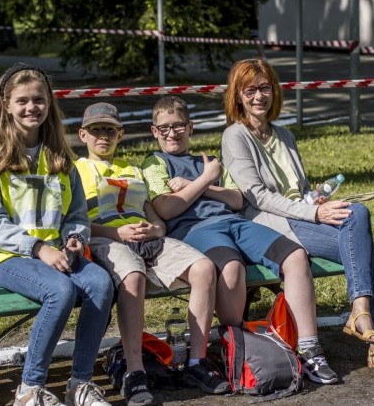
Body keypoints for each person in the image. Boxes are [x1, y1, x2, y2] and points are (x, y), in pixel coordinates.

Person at [220, 58, 374, 379]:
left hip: (301, 216)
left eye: (264, 88)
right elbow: (257, 197)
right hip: (269, 224)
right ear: (238, 96)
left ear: (274, 91)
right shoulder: (235, 136)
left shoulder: (285, 135)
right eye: (249, 90)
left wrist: (315, 198)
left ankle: (360, 313)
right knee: (361, 249)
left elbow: (300, 189)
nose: (258, 96)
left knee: (358, 218)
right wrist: (315, 212)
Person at [141, 95, 338, 386]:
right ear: (154, 131)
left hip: (236, 223)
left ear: (190, 127)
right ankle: (238, 344)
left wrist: (198, 183)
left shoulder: (209, 162)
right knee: (232, 268)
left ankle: (309, 349)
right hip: (195, 230)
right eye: (164, 128)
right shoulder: (154, 162)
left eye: (179, 126)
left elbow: (235, 200)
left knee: (295, 256)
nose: (172, 133)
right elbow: (167, 208)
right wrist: (205, 180)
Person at [0, 63, 115, 406]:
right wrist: (37, 248)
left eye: (39, 99)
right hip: (4, 256)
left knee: (100, 283)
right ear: (7, 106)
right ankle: (29, 389)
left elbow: (75, 214)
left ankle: (79, 384)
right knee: (60, 291)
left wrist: (74, 238)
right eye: (22, 101)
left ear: (49, 103)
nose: (31, 107)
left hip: (53, 252)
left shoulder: (61, 157)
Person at [74, 102, 229, 402]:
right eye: (96, 130)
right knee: (133, 275)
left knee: (203, 268)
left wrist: (156, 229)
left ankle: (196, 362)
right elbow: (73, 224)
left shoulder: (132, 170)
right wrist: (117, 233)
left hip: (148, 239)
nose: (103, 136)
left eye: (110, 130)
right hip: (105, 239)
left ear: (120, 134)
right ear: (83, 135)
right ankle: (135, 372)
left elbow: (153, 215)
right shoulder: (75, 171)